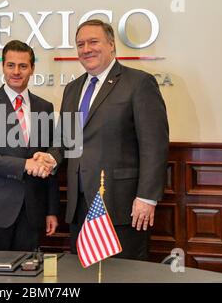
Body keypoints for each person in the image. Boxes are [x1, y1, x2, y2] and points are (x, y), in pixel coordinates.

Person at [35, 20, 169, 260]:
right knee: (83, 273)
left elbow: (154, 145)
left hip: (122, 204)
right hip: (79, 205)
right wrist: (51, 158)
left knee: (123, 275)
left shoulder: (138, 83)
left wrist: (147, 197)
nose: (86, 49)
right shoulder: (72, 89)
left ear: (111, 45)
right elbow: (65, 140)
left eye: (93, 42)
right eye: (80, 44)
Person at [0, 40, 59, 251]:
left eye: (23, 66)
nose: (16, 71)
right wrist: (24, 164)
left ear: (32, 69)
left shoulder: (45, 107)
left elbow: (50, 159)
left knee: (29, 275)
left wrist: (51, 210)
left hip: (33, 212)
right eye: (11, 65)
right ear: (3, 67)